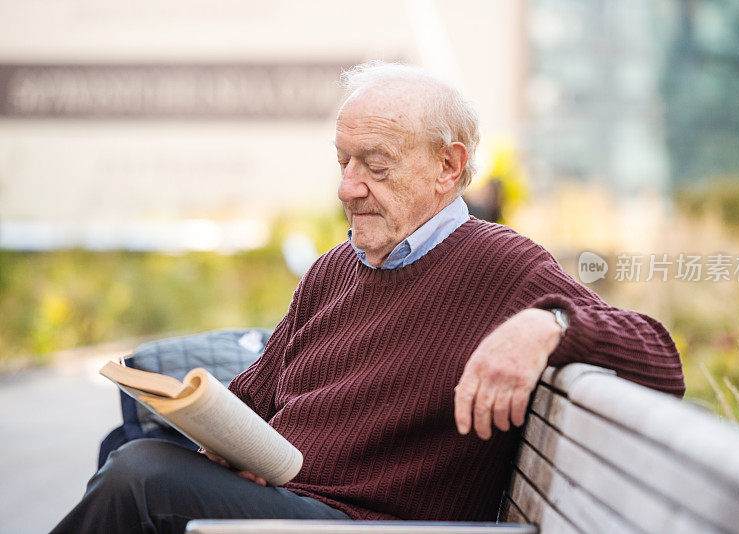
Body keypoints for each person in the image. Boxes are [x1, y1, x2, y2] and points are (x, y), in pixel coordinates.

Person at [52, 61, 684, 533]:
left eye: (375, 167)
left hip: (359, 521)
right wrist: (218, 432)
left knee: (140, 479)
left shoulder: (502, 264)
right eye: (343, 162)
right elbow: (260, 393)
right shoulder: (335, 268)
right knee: (135, 449)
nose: (347, 188)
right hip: (289, 494)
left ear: (446, 166)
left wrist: (546, 324)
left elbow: (660, 357)